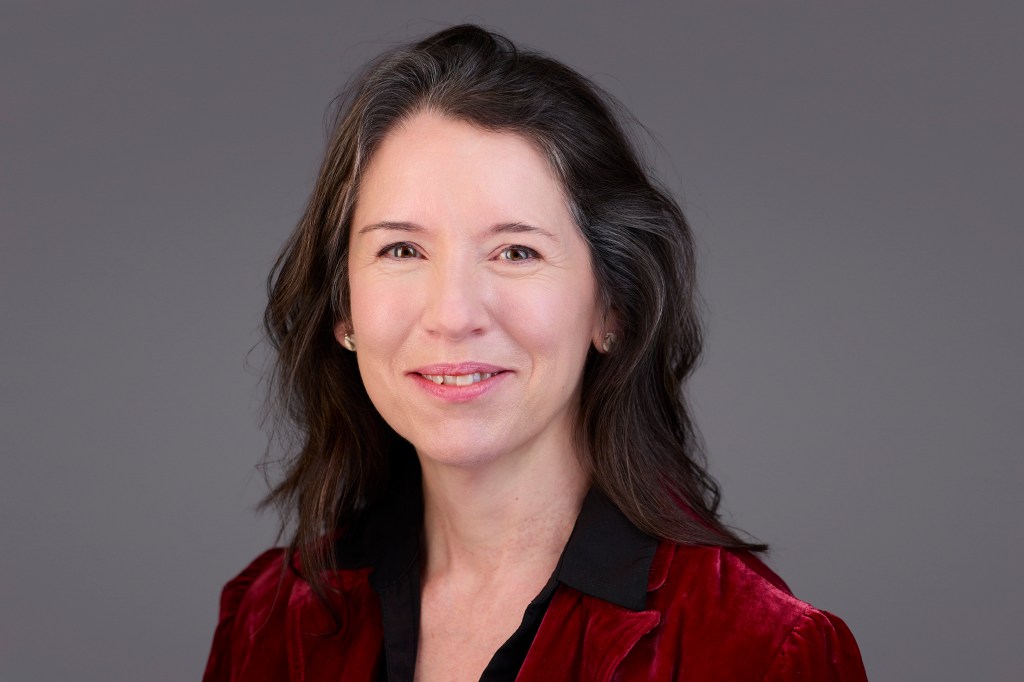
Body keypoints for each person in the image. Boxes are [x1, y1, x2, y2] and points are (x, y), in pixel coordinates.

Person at [203, 24, 867, 681]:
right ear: (343, 310)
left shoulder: (761, 652)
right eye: (401, 250)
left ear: (613, 307)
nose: (453, 314)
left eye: (516, 251)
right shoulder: (269, 621)